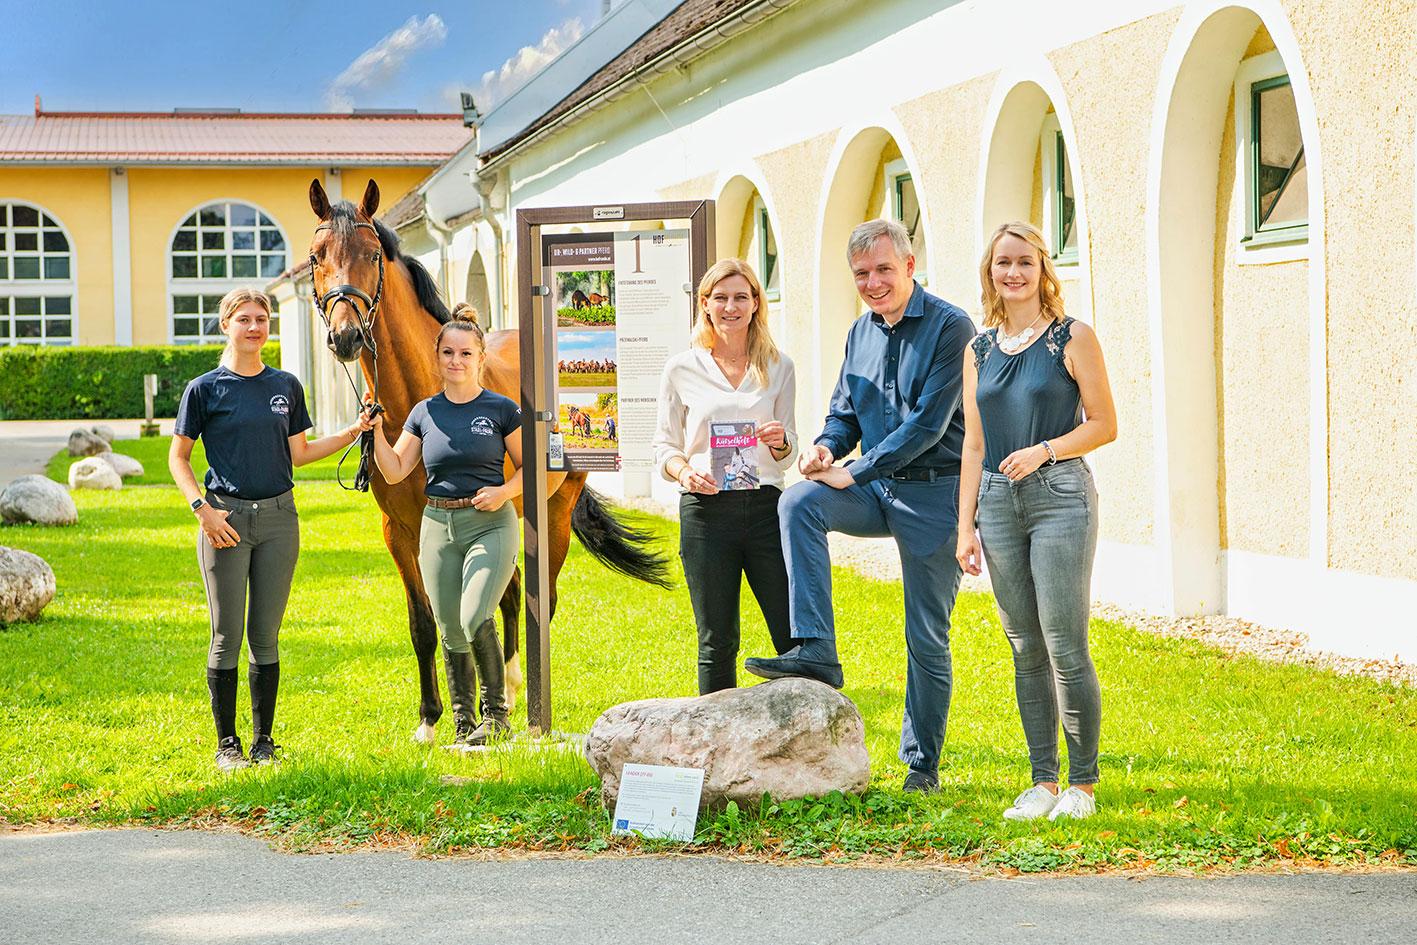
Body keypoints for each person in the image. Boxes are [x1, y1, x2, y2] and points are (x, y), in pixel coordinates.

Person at [743, 219, 976, 794]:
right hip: (874, 486)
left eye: (883, 271)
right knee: (799, 502)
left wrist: (857, 469)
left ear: (909, 266)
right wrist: (827, 446)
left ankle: (921, 766)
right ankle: (816, 648)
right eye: (862, 275)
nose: (873, 283)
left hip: (933, 492)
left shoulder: (952, 327)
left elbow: (927, 426)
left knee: (925, 634)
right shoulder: (859, 333)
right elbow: (845, 411)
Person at [170, 288, 375, 771]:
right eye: (244, 319)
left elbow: (298, 455)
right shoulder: (204, 389)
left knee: (265, 635)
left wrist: (353, 431)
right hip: (225, 521)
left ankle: (263, 743)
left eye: (262, 319)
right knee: (226, 634)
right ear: (226, 325)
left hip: (281, 520)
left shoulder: (285, 385)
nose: (255, 327)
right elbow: (178, 458)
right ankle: (227, 745)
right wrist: (202, 509)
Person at [956, 221, 1117, 821]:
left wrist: (1047, 449)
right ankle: (1043, 782)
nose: (1014, 272)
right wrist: (964, 525)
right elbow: (973, 444)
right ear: (990, 272)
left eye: (1025, 261)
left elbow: (1104, 422)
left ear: (1042, 268)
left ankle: (1083, 785)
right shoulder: (978, 350)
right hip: (996, 502)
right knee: (1023, 643)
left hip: (1059, 495)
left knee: (1064, 642)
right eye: (1003, 263)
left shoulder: (1072, 338)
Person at [368, 304, 523, 749]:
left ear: (480, 358)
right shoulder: (424, 412)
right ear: (437, 358)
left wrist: (503, 493)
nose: (456, 361)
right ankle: (462, 721)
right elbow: (396, 470)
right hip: (438, 524)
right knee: (448, 625)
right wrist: (375, 432)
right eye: (448, 353)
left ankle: (496, 718)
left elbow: (530, 467)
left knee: (475, 614)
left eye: (465, 354)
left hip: (489, 523)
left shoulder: (500, 409)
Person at [653, 258, 796, 694]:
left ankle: (802, 740)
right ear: (706, 305)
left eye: (740, 297)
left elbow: (788, 453)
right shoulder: (681, 368)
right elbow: (664, 448)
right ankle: (714, 742)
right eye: (721, 298)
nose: (731, 307)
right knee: (716, 639)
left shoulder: (779, 366)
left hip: (767, 508)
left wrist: (779, 441)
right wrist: (685, 473)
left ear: (756, 303)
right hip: (706, 511)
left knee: (790, 634)